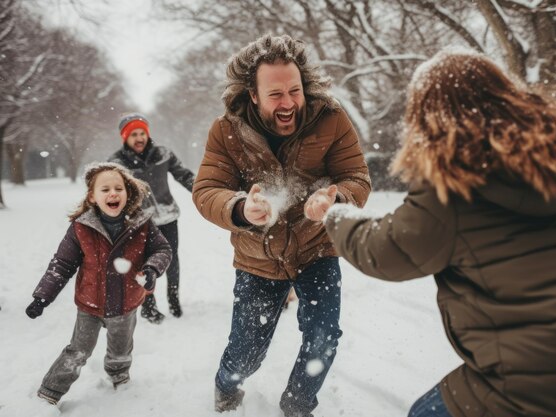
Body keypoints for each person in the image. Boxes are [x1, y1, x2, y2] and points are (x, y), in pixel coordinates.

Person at [323, 49, 556, 417]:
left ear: (427, 115)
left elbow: (385, 251)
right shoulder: (543, 169)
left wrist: (333, 215)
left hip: (532, 385)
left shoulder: (452, 191)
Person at [192, 34, 371, 417]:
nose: (288, 102)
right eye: (275, 94)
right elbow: (207, 190)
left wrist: (334, 198)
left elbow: (357, 176)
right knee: (245, 354)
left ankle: (297, 405)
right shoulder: (226, 130)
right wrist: (240, 208)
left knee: (323, 338)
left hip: (317, 248)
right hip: (259, 257)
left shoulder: (331, 118)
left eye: (295, 90)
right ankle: (227, 385)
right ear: (252, 95)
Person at [26, 162, 172, 405]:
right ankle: (50, 391)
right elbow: (62, 264)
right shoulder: (81, 228)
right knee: (78, 351)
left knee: (120, 350)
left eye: (118, 188)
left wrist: (152, 268)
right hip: (90, 305)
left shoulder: (142, 223)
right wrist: (42, 296)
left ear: (127, 192)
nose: (112, 193)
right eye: (105, 190)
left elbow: (162, 249)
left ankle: (119, 375)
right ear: (92, 197)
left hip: (126, 303)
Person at [109, 113, 195, 323]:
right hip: (139, 222)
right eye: (133, 135)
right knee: (143, 264)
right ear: (125, 138)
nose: (139, 138)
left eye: (142, 133)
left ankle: (174, 300)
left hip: (168, 217)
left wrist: (204, 192)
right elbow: (111, 191)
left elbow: (184, 175)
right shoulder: (117, 163)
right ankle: (149, 306)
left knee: (172, 260)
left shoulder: (163, 154)